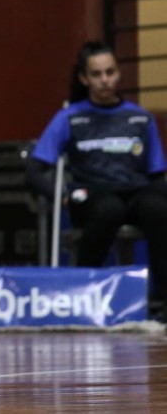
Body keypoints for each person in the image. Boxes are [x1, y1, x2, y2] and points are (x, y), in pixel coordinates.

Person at [26, 41, 167, 313]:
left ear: (118, 73)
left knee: (159, 207)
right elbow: (33, 172)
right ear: (84, 77)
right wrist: (65, 198)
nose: (105, 80)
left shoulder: (140, 118)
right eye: (96, 74)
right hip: (92, 195)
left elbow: (157, 175)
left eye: (110, 72)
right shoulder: (70, 117)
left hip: (136, 193)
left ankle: (162, 300)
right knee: (108, 210)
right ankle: (82, 296)